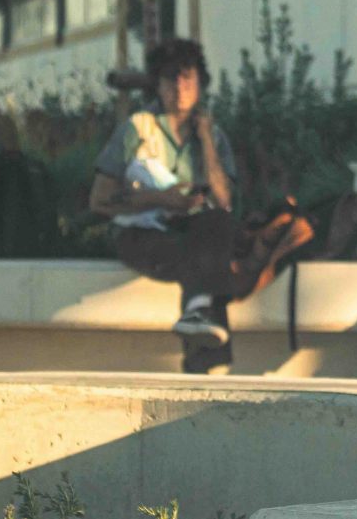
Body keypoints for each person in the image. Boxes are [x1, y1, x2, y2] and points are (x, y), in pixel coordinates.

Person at [88, 36, 243, 369]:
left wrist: (206, 142)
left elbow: (224, 200)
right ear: (157, 84)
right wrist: (161, 198)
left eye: (188, 77)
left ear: (201, 83)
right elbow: (99, 201)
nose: (180, 86)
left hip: (193, 233)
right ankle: (210, 361)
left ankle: (198, 321)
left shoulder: (211, 134)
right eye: (171, 77)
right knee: (206, 261)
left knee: (217, 225)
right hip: (144, 235)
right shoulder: (137, 129)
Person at [0, 111, 61, 258]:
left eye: (11, 132)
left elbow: (49, 219)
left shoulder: (37, 172)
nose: (7, 137)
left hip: (35, 258)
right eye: (2, 132)